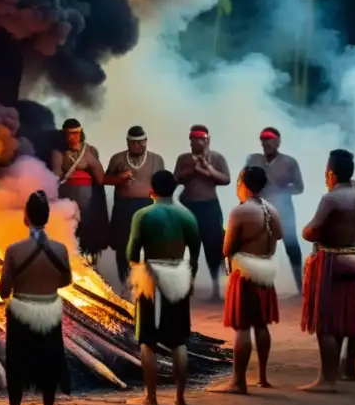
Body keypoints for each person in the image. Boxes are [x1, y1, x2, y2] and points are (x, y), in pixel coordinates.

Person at [0, 191, 72, 405]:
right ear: (47, 218)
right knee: (50, 362)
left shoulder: (14, 250)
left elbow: (3, 290)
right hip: (49, 309)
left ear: (25, 218)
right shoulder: (60, 250)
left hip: (21, 313)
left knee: (17, 365)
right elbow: (66, 280)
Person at [124, 170, 199, 405]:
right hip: (178, 277)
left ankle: (151, 398)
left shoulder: (143, 215)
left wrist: (140, 270)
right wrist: (189, 279)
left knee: (147, 340)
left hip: (151, 280)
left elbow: (132, 253)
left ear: (151, 190)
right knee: (179, 341)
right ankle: (180, 397)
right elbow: (195, 255)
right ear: (175, 189)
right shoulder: (187, 215)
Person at [299, 149, 355, 392]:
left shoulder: (331, 199)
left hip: (331, 261)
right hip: (353, 257)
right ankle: (334, 373)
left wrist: (306, 230)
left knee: (327, 323)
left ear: (331, 173)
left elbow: (313, 230)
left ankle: (326, 379)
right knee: (341, 320)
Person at [211, 166, 282, 394]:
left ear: (242, 183)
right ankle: (262, 377)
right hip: (265, 272)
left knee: (242, 328)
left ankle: (238, 382)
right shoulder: (272, 210)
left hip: (245, 274)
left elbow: (226, 248)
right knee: (261, 325)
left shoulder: (240, 212)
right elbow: (277, 236)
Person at [173, 125, 231, 301]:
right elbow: (175, 179)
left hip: (210, 207)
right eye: (194, 139)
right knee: (190, 248)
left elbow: (226, 179)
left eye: (201, 139)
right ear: (190, 141)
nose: (197, 142)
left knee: (214, 247)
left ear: (207, 140)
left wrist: (207, 169)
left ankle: (216, 289)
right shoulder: (184, 159)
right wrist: (191, 170)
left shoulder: (217, 158)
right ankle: (187, 286)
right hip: (189, 206)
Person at [245, 128, 305, 294]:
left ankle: (301, 287)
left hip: (283, 210)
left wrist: (283, 189)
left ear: (278, 141)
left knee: (292, 247)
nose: (266, 142)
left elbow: (300, 188)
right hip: (259, 209)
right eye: (263, 139)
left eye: (270, 139)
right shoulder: (253, 159)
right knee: (259, 248)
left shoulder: (289, 162)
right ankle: (260, 286)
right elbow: (242, 183)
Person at [106, 126, 166, 288]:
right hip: (123, 207)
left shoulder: (156, 159)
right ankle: (125, 283)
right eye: (136, 143)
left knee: (147, 245)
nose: (141, 146)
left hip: (146, 206)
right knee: (122, 246)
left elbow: (162, 185)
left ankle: (145, 283)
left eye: (143, 142)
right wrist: (120, 178)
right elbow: (105, 179)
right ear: (128, 143)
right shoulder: (117, 159)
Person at [50, 119, 107, 264]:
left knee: (86, 224)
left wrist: (92, 163)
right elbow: (56, 176)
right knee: (68, 225)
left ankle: (86, 258)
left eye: (75, 134)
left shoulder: (91, 151)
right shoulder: (58, 153)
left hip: (87, 196)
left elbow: (100, 178)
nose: (71, 137)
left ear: (81, 134)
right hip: (66, 195)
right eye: (68, 134)